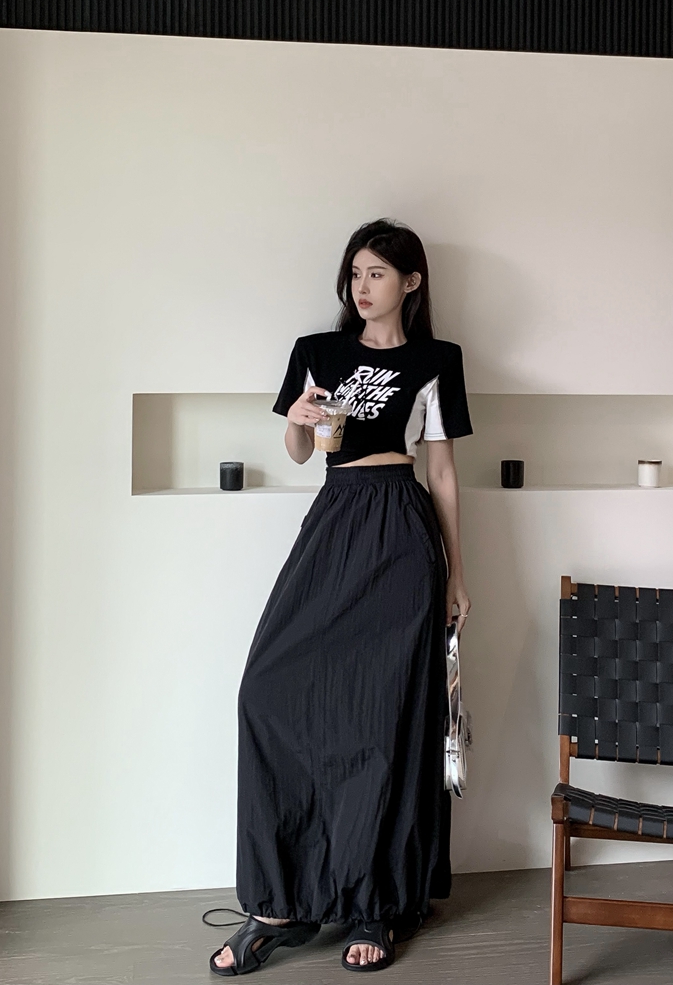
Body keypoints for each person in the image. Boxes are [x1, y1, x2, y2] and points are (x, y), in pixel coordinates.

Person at [210, 218, 473, 975]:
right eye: (354, 272)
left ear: (411, 282)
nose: (362, 286)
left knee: (384, 721)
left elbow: (442, 471)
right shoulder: (317, 352)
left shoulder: (436, 360)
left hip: (402, 527)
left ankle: (373, 905)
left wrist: (457, 574)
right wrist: (297, 422)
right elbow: (302, 450)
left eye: (377, 273)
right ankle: (278, 904)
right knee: (266, 690)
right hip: (335, 519)